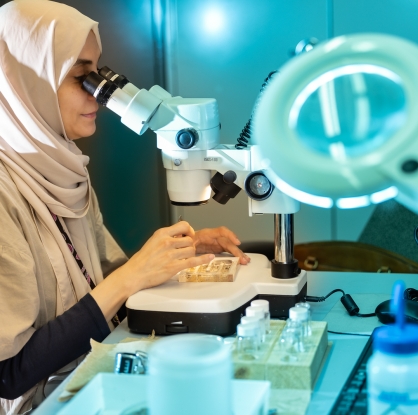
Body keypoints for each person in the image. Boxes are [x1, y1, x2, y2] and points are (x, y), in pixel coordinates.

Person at [0, 1, 250, 413]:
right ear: (28, 80)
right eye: (81, 75)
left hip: (89, 374)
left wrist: (177, 256)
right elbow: (8, 375)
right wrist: (133, 274)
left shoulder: (67, 173)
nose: (98, 91)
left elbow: (96, 285)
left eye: (98, 73)